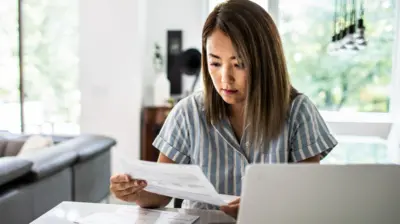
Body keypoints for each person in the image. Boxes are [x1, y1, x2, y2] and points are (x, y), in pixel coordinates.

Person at [110, 0, 337, 219]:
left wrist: (262, 208)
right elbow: (160, 194)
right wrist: (136, 191)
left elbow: (308, 199)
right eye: (215, 63)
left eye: (239, 64)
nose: (225, 78)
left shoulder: (298, 112)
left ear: (266, 62)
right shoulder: (188, 112)